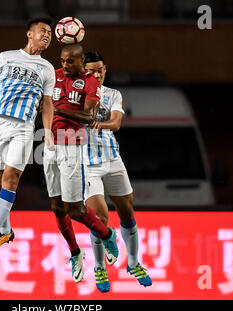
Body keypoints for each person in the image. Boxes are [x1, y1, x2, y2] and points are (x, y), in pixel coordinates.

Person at [0, 17, 55, 253]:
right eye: (43, 31)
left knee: (11, 178)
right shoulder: (5, 57)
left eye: (50, 33)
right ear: (29, 33)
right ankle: (6, 230)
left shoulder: (47, 69)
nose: (47, 35)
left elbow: (47, 104)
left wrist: (47, 131)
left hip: (23, 127)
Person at [43, 44, 119, 283]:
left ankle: (107, 235)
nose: (65, 65)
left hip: (72, 143)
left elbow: (89, 118)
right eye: (62, 60)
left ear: (81, 61)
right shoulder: (52, 76)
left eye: (70, 61)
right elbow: (42, 105)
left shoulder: (90, 82)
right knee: (57, 208)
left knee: (75, 209)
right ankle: (76, 253)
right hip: (49, 144)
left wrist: (58, 111)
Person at [84, 51, 152, 292]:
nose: (97, 74)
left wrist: (96, 124)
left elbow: (116, 123)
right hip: (87, 166)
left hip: (113, 161)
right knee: (99, 218)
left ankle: (133, 263)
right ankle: (100, 267)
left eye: (100, 69)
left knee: (127, 212)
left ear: (105, 69)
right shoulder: (75, 95)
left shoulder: (113, 94)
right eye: (91, 70)